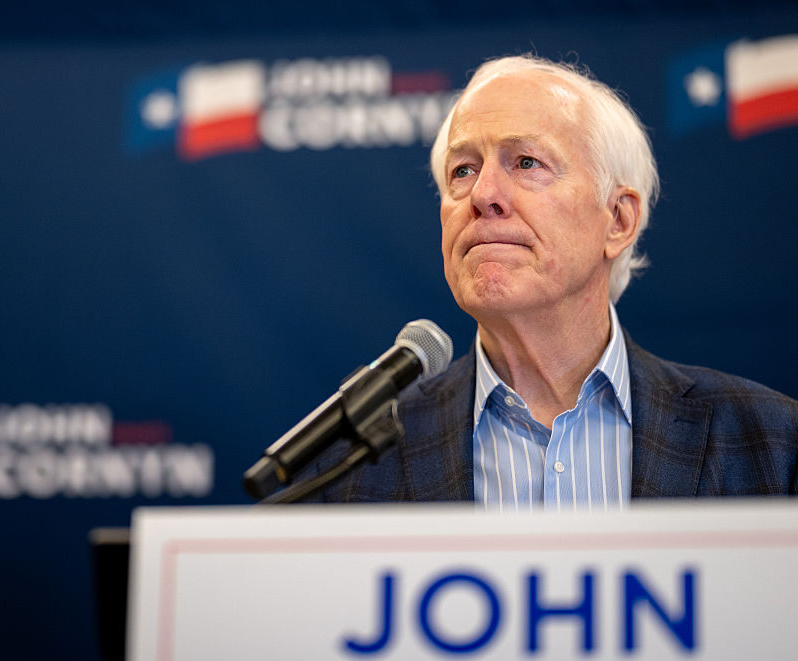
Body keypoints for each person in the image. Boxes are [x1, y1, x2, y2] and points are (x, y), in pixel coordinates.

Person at [311, 55, 798, 508]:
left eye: (526, 163)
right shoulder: (352, 464)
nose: (484, 195)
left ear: (618, 220)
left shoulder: (771, 444)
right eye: (463, 170)